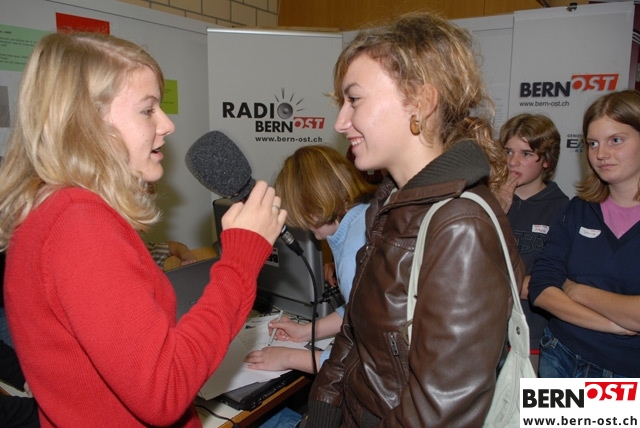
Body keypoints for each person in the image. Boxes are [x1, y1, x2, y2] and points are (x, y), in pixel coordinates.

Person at [0, 31, 286, 427]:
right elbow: (163, 390)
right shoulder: (77, 224)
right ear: (86, 122)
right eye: (148, 109)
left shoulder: (48, 211)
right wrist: (240, 260)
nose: (167, 124)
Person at [302, 12, 525, 427]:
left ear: (421, 101)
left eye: (355, 100)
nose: (340, 123)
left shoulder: (460, 226)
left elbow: (438, 412)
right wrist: (320, 416)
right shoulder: (388, 203)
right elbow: (354, 335)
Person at [529, 89, 640, 378]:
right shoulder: (579, 208)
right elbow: (541, 287)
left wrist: (577, 290)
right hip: (558, 354)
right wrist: (614, 324)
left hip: (623, 370)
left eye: (616, 140)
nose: (601, 154)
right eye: (593, 143)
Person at [243, 144, 377, 373]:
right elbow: (358, 310)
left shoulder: (353, 253)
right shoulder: (364, 216)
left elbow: (367, 366)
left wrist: (288, 357)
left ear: (310, 207)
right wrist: (305, 331)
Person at [497, 113, 569, 372]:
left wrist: (491, 284)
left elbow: (553, 284)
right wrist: (495, 211)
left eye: (526, 154)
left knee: (530, 401)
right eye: (508, 151)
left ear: (546, 160)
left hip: (534, 340)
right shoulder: (488, 201)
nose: (513, 161)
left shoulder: (564, 209)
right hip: (487, 336)